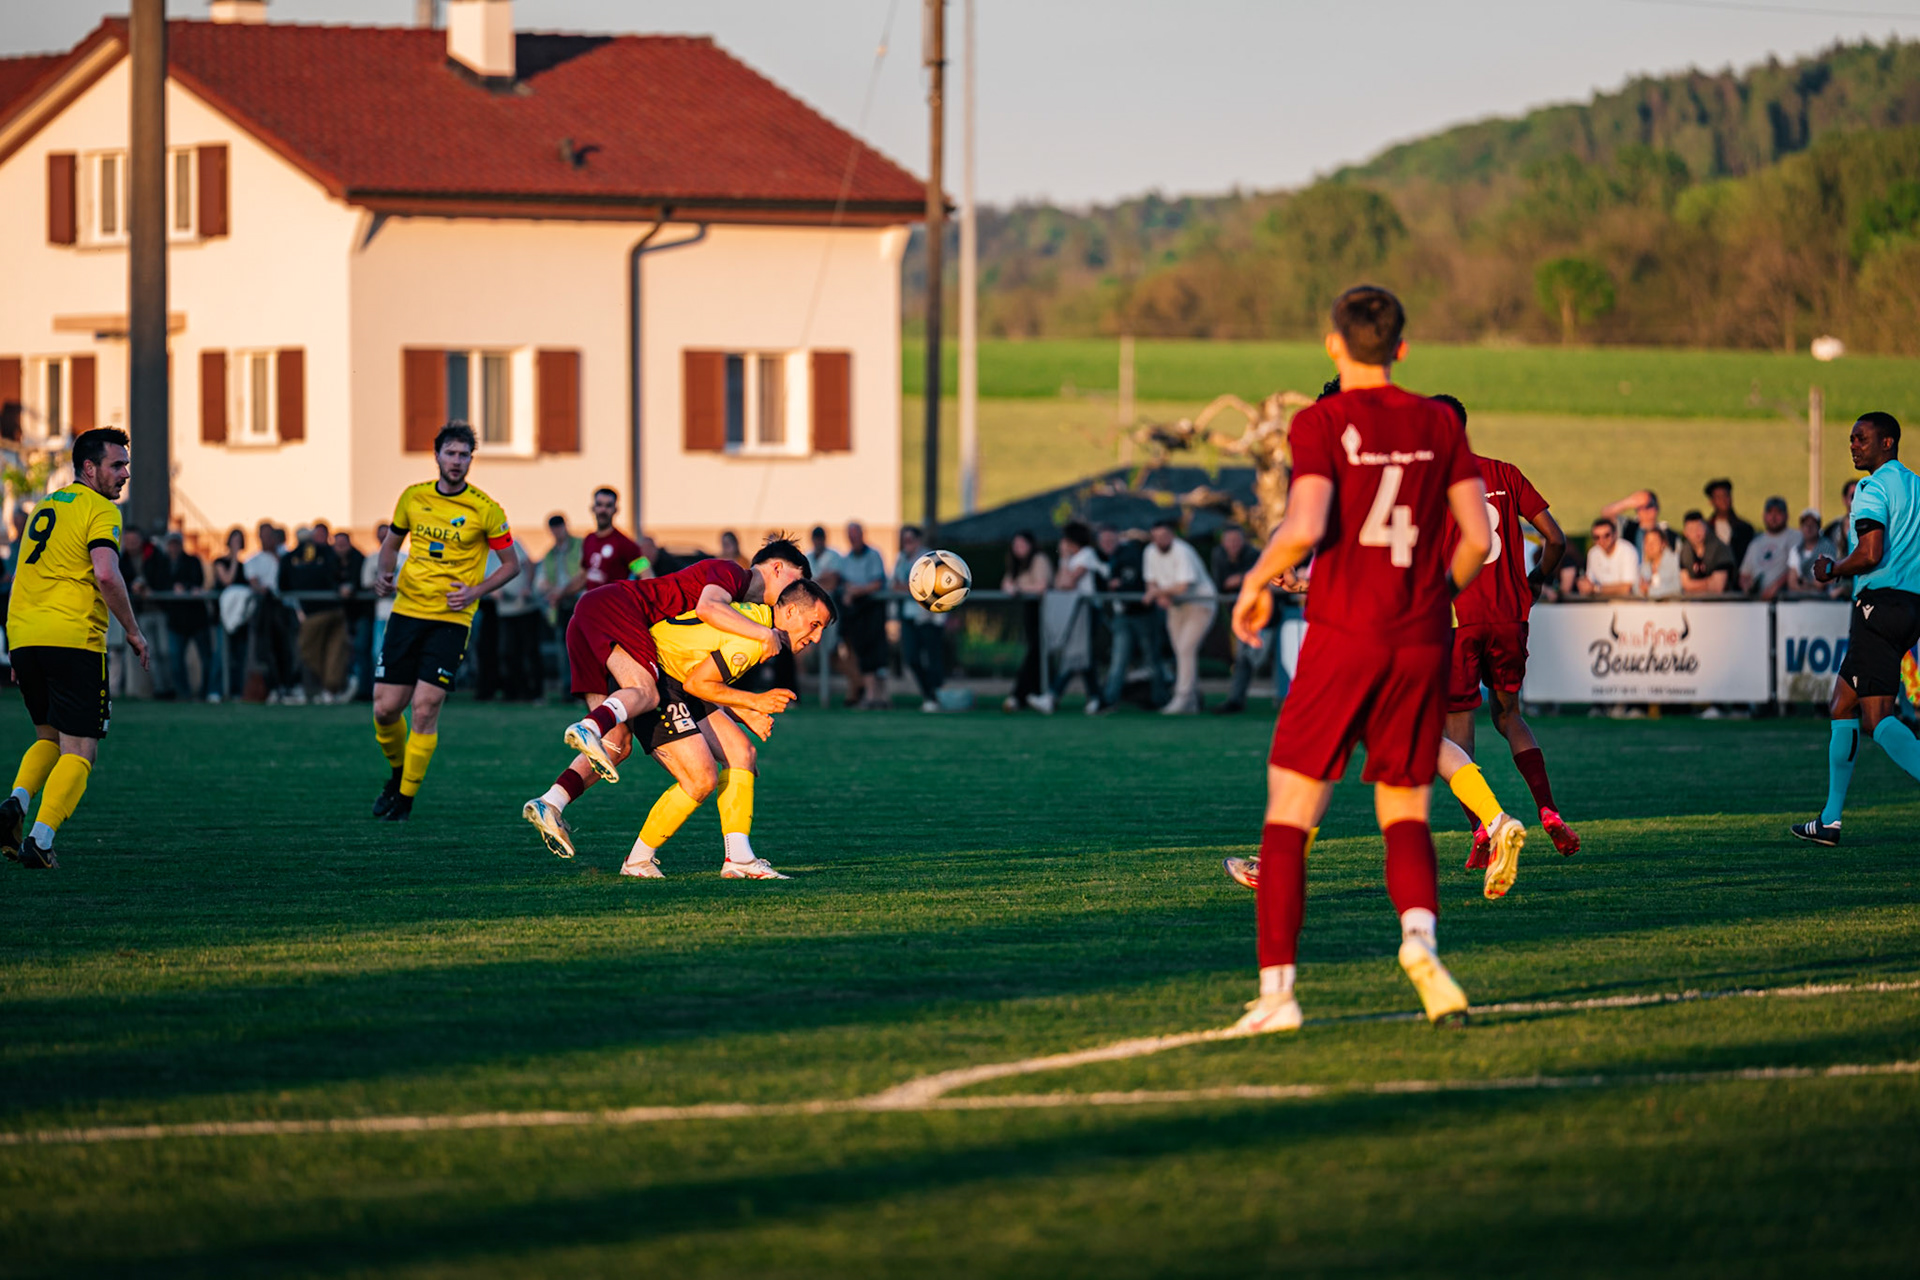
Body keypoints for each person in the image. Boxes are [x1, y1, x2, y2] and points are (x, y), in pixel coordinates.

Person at [1224, 284, 1490, 1035]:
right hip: (1419, 636)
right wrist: (1433, 596)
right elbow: (1478, 539)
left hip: (1343, 632)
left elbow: (1305, 522)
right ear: (1402, 348)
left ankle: (1278, 995)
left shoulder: (1323, 419)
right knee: (1404, 808)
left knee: (1291, 811)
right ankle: (1421, 946)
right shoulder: (1440, 420)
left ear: (1333, 345)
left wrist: (1251, 582)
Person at [525, 537, 813, 851]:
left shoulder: (741, 608)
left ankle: (551, 803)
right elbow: (708, 607)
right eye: (797, 582)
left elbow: (693, 672)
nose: (796, 594)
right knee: (645, 694)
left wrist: (740, 708)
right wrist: (764, 634)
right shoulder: (732, 573)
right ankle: (591, 728)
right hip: (617, 608)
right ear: (777, 568)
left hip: (591, 617)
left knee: (616, 744)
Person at [612, 581, 836, 880]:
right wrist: (755, 702)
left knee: (742, 753)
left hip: (679, 678)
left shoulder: (756, 619)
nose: (818, 637)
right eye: (815, 624)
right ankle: (637, 860)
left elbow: (698, 676)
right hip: (658, 678)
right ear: (792, 611)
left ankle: (739, 859)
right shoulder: (756, 639)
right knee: (701, 779)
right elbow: (698, 684)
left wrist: (744, 711)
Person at [0, 428, 150, 869]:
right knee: (80, 750)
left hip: (26, 637)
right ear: (89, 468)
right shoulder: (100, 510)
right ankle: (40, 841)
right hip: (73, 639)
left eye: (126, 464)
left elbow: (22, 577)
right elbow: (106, 574)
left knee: (48, 735)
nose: (125, 473)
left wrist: (17, 645)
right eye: (116, 465)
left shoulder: (43, 508)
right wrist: (134, 631)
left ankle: (15, 802)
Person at [370, 422, 524, 822]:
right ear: (436, 455)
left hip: (451, 619)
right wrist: (384, 574)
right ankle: (399, 774)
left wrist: (475, 592)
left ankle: (405, 799)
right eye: (451, 453)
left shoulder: (485, 509)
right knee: (386, 709)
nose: (457, 461)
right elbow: (391, 543)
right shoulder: (413, 497)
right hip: (406, 613)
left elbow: (512, 566)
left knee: (424, 708)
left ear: (471, 460)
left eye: (464, 455)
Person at [1792, 412, 1920, 845]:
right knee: (1841, 704)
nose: (1853, 445)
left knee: (1878, 718)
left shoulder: (1871, 488)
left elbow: (1869, 552)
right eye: (1850, 439)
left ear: (1888, 443)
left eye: (1861, 438)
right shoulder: (1917, 487)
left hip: (1878, 606)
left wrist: (1833, 568)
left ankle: (1831, 819)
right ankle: (1829, 820)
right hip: (1910, 607)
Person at [1142, 518, 1215, 714]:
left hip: (1199, 604)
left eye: (1164, 536)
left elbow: (1183, 586)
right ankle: (1192, 700)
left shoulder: (1182, 550)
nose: (1160, 541)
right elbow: (1151, 582)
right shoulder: (1149, 552)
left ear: (1172, 535)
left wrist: (1159, 593)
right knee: (1181, 651)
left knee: (1185, 648)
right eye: (1156, 537)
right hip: (1176, 606)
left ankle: (1182, 697)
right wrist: (1160, 595)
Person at [1033, 521, 1105, 713]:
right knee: (1080, 656)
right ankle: (1095, 699)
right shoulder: (1071, 559)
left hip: (1086, 610)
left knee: (1078, 655)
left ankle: (1052, 696)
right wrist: (1064, 560)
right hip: (1074, 610)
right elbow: (1058, 583)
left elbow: (1068, 584)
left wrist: (1064, 559)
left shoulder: (1086, 555)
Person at [1097, 527, 1167, 711]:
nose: (1107, 545)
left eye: (1110, 540)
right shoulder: (1112, 557)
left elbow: (1133, 583)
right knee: (1119, 659)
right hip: (1124, 615)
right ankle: (1109, 699)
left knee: (1151, 657)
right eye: (1103, 542)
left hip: (1142, 614)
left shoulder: (1129, 554)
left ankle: (1160, 698)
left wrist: (1119, 585)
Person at [282, 521, 348, 702]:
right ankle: (331, 689)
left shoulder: (291, 558)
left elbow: (282, 583)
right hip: (330, 610)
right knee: (329, 653)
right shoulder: (325, 553)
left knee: (313, 652)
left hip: (316, 613)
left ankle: (331, 688)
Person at [1211, 524, 1265, 715]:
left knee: (1260, 658)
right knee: (1243, 659)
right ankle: (1235, 700)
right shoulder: (1218, 556)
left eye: (1237, 540)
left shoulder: (1254, 555)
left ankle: (1290, 699)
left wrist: (1242, 578)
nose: (1233, 544)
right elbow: (1221, 585)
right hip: (1239, 616)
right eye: (1230, 540)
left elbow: (1259, 579)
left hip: (1262, 616)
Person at [891, 525, 946, 711]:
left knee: (932, 658)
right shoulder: (901, 559)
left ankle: (935, 695)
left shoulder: (928, 559)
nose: (907, 544)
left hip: (928, 617)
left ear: (918, 540)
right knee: (911, 657)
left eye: (910, 540)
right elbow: (895, 584)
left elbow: (926, 586)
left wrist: (907, 588)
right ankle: (929, 693)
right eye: (904, 540)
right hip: (908, 615)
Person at [153, 531, 213, 702]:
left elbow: (197, 581)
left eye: (176, 543)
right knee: (176, 660)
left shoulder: (192, 561)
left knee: (206, 658)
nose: (173, 547)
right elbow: (158, 583)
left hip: (197, 619)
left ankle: (205, 693)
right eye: (171, 543)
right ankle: (183, 694)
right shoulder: (162, 563)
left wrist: (185, 587)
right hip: (176, 621)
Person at [556, 488, 642, 600]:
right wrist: (561, 593)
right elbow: (583, 577)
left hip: (613, 610)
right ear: (593, 508)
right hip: (591, 609)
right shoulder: (589, 540)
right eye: (599, 504)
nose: (603, 510)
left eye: (608, 506)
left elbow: (646, 574)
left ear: (615, 510)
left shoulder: (626, 544)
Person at [1000, 530, 1053, 712]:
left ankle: (1020, 694)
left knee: (1038, 651)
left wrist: (1019, 588)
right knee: (1035, 651)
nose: (1018, 549)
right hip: (1029, 610)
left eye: (1022, 545)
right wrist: (1012, 587)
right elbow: (1006, 583)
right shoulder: (1017, 563)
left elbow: (1041, 586)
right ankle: (1031, 693)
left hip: (1044, 610)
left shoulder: (1039, 559)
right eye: (1015, 545)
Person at [211, 527, 248, 699]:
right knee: (220, 655)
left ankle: (236, 691)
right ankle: (215, 691)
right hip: (222, 617)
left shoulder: (244, 566)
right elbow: (228, 580)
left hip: (240, 619)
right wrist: (233, 557)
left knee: (238, 657)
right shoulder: (220, 562)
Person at [1738, 496, 1797, 600]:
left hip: (1785, 600)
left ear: (1786, 516)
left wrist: (1776, 586)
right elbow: (1744, 574)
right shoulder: (1755, 543)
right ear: (1764, 516)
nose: (1773, 517)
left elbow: (1796, 568)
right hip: (1758, 601)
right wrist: (1747, 586)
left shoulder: (1795, 537)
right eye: (1770, 513)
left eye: (1778, 513)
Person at [334, 530, 369, 701]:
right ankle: (347, 686)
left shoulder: (359, 559)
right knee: (346, 650)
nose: (340, 548)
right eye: (337, 544)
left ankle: (364, 689)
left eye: (343, 544)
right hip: (343, 615)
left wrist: (352, 588)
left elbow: (362, 582)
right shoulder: (332, 562)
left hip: (361, 613)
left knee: (362, 649)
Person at [1703, 478, 1755, 570]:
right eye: (1718, 497)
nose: (1723, 500)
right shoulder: (1705, 529)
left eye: (1726, 496)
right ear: (1712, 502)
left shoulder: (1744, 529)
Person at [1580, 518, 1640, 597]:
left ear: (1615, 534)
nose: (1602, 540)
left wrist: (1596, 589)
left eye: (1606, 535)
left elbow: (1627, 588)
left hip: (1627, 601)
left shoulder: (1627, 551)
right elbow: (1589, 580)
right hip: (1600, 601)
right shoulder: (1593, 553)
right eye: (1597, 537)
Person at [1678, 510, 1734, 593]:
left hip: (1723, 602)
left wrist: (1692, 585)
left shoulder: (1720, 549)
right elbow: (1685, 585)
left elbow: (1717, 587)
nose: (1696, 533)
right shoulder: (1685, 551)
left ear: (1706, 527)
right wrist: (1709, 582)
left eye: (1699, 527)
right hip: (1694, 602)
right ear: (1685, 533)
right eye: (1691, 529)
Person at [1599, 489, 1668, 553]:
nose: (1645, 511)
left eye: (1649, 506)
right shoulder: (1628, 527)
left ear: (1657, 507)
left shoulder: (1664, 531)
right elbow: (1606, 514)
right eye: (1640, 507)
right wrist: (1629, 502)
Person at [1787, 508, 1837, 594]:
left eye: (1813, 525)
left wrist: (1802, 583)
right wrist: (1809, 586)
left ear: (1818, 527)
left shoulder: (1827, 548)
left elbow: (1820, 584)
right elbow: (1792, 583)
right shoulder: (1796, 550)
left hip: (1824, 599)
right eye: (1806, 525)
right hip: (1800, 599)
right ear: (1801, 528)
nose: (1809, 528)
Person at [1641, 526, 1682, 599]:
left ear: (1663, 544)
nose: (1650, 546)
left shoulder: (1675, 561)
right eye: (1647, 542)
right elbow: (1637, 588)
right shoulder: (1644, 566)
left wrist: (1651, 591)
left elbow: (1678, 586)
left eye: (1654, 541)